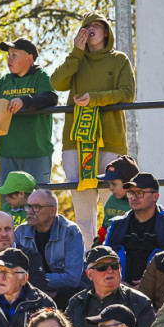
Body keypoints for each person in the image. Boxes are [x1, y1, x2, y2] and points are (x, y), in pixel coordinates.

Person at [51, 12, 136, 246]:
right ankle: (87, 263)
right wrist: (76, 53)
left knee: (114, 208)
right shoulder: (76, 59)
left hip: (110, 140)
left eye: (96, 26)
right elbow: (56, 83)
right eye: (86, 26)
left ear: (106, 31)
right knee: (83, 214)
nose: (90, 30)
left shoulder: (119, 59)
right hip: (76, 142)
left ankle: (115, 260)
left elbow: (128, 93)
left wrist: (95, 99)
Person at [0, 38, 57, 184]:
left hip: (36, 153)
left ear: (29, 58)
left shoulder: (41, 76)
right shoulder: (4, 81)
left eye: (14, 55)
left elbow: (50, 99)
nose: (9, 59)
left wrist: (24, 101)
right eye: (8, 55)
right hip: (8, 154)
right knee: (8, 204)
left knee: (37, 203)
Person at [65, 245, 154, 327]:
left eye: (114, 265)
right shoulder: (76, 302)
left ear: (120, 269)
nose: (110, 271)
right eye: (102, 267)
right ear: (89, 274)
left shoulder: (139, 302)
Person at [104, 172, 164, 285]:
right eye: (131, 193)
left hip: (159, 289)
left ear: (155, 196)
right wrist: (118, 284)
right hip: (120, 289)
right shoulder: (117, 224)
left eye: (139, 193)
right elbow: (104, 258)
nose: (134, 197)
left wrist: (148, 285)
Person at [15, 188, 85, 304]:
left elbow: (72, 279)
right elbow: (15, 273)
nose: (30, 211)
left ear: (52, 211)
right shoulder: (20, 232)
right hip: (32, 293)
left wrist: (34, 278)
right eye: (28, 206)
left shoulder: (70, 232)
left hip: (65, 295)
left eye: (36, 207)